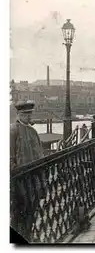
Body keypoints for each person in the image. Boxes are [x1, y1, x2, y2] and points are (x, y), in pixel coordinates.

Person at [10, 100, 46, 242]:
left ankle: (28, 233)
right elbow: (10, 156)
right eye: (25, 114)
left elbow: (39, 153)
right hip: (20, 177)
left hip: (34, 175)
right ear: (19, 114)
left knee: (32, 205)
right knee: (20, 208)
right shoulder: (13, 130)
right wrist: (14, 173)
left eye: (30, 114)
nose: (29, 117)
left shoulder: (33, 131)